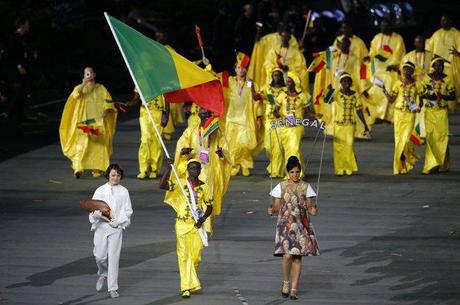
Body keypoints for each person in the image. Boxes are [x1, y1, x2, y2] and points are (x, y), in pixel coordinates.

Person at [160, 158, 213, 298]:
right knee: (183, 256)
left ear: (200, 171)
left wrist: (202, 219)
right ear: (187, 170)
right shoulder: (180, 183)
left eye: (197, 168)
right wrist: (169, 168)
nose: (195, 171)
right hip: (182, 224)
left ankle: (191, 282)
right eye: (192, 168)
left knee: (195, 257)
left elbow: (210, 207)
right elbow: (162, 185)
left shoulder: (205, 187)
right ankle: (186, 287)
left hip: (197, 225)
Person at [268, 156, 319, 300]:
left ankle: (294, 289)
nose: (295, 175)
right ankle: (286, 282)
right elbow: (277, 206)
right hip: (285, 224)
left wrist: (313, 211)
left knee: (297, 257)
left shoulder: (306, 187)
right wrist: (272, 210)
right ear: (287, 172)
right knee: (287, 255)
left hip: (301, 225)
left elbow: (309, 208)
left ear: (300, 172)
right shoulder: (281, 186)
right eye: (292, 172)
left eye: (297, 172)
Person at [173, 107, 231, 222]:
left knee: (208, 195)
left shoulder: (217, 131)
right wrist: (183, 151)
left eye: (207, 115)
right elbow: (181, 144)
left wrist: (221, 153)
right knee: (195, 195)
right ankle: (193, 219)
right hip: (194, 168)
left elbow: (225, 148)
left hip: (211, 168)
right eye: (202, 114)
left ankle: (207, 223)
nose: (205, 117)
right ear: (198, 115)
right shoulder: (191, 130)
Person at [59, 67, 117, 178]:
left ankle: (97, 168)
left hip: (98, 122)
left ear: (94, 74)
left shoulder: (101, 88)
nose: (88, 75)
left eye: (89, 73)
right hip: (83, 122)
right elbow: (75, 95)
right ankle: (78, 168)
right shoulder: (80, 88)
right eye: (86, 73)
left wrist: (106, 110)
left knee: (98, 146)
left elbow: (108, 101)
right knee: (81, 145)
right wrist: (83, 84)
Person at [89, 164, 133, 298]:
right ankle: (103, 273)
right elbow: (93, 207)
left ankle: (112, 287)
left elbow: (128, 211)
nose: (115, 178)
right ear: (108, 175)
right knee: (99, 256)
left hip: (116, 228)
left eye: (118, 175)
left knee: (114, 257)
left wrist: (119, 221)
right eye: (113, 175)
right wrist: (96, 215)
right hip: (101, 227)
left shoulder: (124, 191)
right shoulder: (100, 190)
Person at [224, 52, 262, 176]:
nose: (241, 70)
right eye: (238, 67)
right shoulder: (229, 81)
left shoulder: (250, 83)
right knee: (232, 144)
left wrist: (259, 116)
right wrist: (208, 66)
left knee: (246, 143)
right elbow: (214, 78)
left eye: (243, 67)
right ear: (235, 69)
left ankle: (245, 164)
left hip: (246, 118)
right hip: (231, 118)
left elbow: (258, 100)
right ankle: (234, 165)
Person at [382, 62, 422, 175]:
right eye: (404, 70)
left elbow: (422, 100)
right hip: (399, 114)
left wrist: (418, 107)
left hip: (410, 115)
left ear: (412, 72)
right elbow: (391, 100)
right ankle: (400, 165)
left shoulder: (417, 85)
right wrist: (384, 90)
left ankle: (408, 158)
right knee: (399, 141)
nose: (406, 72)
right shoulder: (397, 83)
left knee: (407, 140)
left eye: (409, 70)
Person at [366, 19, 406, 123]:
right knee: (373, 85)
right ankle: (376, 114)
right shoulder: (377, 37)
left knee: (388, 82)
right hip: (377, 69)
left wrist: (391, 65)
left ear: (391, 27)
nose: (382, 28)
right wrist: (369, 57)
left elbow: (398, 54)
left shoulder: (398, 38)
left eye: (385, 26)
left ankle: (387, 116)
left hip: (391, 69)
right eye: (381, 26)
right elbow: (372, 51)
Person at [421, 57, 455, 174]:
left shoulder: (448, 79)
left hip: (441, 112)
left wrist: (442, 96)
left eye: (442, 65)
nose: (441, 67)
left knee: (441, 138)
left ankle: (441, 162)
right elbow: (421, 92)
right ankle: (431, 165)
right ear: (433, 66)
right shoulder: (427, 78)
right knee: (430, 138)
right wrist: (427, 97)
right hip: (430, 112)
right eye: (438, 65)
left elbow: (453, 96)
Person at [331, 73, 370, 175]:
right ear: (340, 83)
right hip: (338, 125)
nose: (346, 83)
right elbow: (327, 101)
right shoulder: (337, 94)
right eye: (344, 81)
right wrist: (330, 90)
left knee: (348, 146)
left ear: (351, 82)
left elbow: (359, 111)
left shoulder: (355, 95)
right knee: (338, 147)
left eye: (348, 81)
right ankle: (339, 169)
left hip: (350, 125)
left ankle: (348, 168)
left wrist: (365, 125)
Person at [276, 72, 312, 176]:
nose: (287, 83)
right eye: (286, 81)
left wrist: (316, 116)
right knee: (289, 150)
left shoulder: (302, 96)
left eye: (289, 81)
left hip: (297, 127)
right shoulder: (282, 95)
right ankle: (296, 172)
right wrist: (277, 114)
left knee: (294, 148)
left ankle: (295, 174)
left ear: (294, 82)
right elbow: (276, 110)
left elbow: (308, 111)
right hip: (285, 127)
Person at [127, 90, 169, 179]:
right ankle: (143, 169)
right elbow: (136, 98)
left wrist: (166, 115)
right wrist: (129, 104)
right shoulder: (141, 80)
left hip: (158, 113)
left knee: (156, 141)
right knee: (145, 139)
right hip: (145, 112)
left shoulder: (161, 81)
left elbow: (166, 99)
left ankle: (154, 169)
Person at [402, 35, 434, 141]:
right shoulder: (408, 56)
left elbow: (435, 71)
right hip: (413, 87)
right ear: (414, 43)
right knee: (415, 110)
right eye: (418, 42)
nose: (421, 44)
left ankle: (424, 134)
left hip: (427, 86)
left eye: (422, 42)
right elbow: (403, 71)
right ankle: (414, 134)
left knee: (425, 110)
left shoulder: (431, 55)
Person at [426, 15, 460, 111]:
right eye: (442, 20)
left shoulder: (457, 34)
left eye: (445, 20)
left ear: (450, 21)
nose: (443, 22)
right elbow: (429, 48)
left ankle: (450, 107)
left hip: (450, 66)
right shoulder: (436, 34)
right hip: (436, 65)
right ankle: (436, 103)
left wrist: (458, 53)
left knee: (449, 85)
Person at [259, 68, 286, 177]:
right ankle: (274, 165)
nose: (277, 77)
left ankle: (276, 171)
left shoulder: (285, 89)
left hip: (281, 119)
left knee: (279, 146)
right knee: (269, 146)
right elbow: (257, 98)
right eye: (275, 75)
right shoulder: (266, 88)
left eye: (279, 75)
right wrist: (250, 84)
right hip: (269, 119)